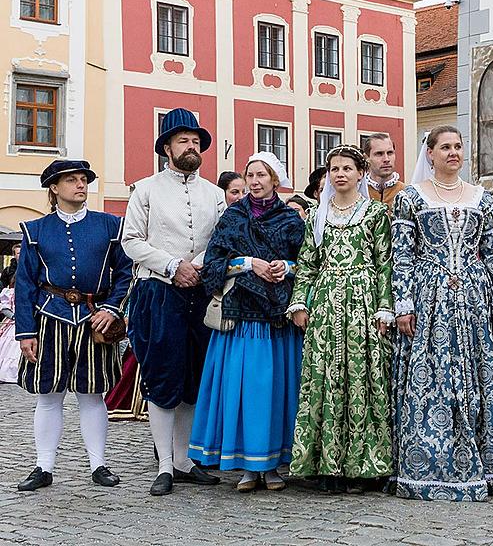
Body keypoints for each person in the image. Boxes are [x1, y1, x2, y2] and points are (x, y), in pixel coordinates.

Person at [392, 125, 493, 501]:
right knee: (434, 375)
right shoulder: (411, 198)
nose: (453, 153)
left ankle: (486, 466)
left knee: (478, 373)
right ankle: (431, 464)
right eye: (445, 147)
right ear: (429, 153)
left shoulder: (483, 198)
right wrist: (403, 302)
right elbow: (403, 255)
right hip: (430, 296)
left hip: (475, 296)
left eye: (458, 146)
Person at [122, 108, 225, 496]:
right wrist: (171, 265)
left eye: (196, 141)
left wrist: (194, 266)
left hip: (199, 293)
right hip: (158, 292)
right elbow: (131, 242)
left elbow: (220, 240)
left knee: (193, 378)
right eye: (183, 140)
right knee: (163, 376)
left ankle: (184, 460)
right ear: (166, 147)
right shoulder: (145, 189)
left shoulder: (214, 194)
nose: (191, 146)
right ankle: (164, 463)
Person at [14, 160, 132, 491]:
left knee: (92, 395)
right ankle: (43, 466)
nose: (80, 185)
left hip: (95, 318)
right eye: (71, 180)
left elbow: (125, 272)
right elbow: (25, 285)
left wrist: (111, 308)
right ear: (54, 187)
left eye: (83, 180)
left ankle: (98, 464)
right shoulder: (35, 230)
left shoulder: (110, 225)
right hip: (49, 317)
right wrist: (25, 332)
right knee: (49, 396)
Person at [190, 152, 304, 493]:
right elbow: (213, 263)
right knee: (242, 392)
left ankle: (272, 466)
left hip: (276, 318)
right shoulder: (232, 218)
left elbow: (309, 262)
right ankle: (246, 467)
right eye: (250, 175)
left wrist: (286, 267)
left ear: (274, 179)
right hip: (240, 316)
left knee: (274, 392)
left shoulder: (291, 220)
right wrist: (248, 263)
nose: (254, 181)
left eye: (261, 175)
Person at [288, 145, 393, 493]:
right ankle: (326, 464)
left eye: (347, 168)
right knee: (325, 380)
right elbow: (307, 263)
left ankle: (363, 465)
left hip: (363, 302)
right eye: (334, 169)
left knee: (362, 380)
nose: (341, 174)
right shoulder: (318, 214)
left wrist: (384, 307)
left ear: (361, 173)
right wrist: (300, 302)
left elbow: (384, 265)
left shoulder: (375, 214)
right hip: (327, 304)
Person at [363, 133, 405, 211]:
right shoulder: (358, 193)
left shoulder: (405, 192)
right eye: (379, 154)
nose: (386, 159)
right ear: (367, 158)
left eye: (390, 153)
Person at [0, 275, 19, 383]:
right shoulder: (10, 292)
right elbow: (5, 309)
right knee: (9, 347)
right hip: (13, 323)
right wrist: (14, 316)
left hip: (28, 322)